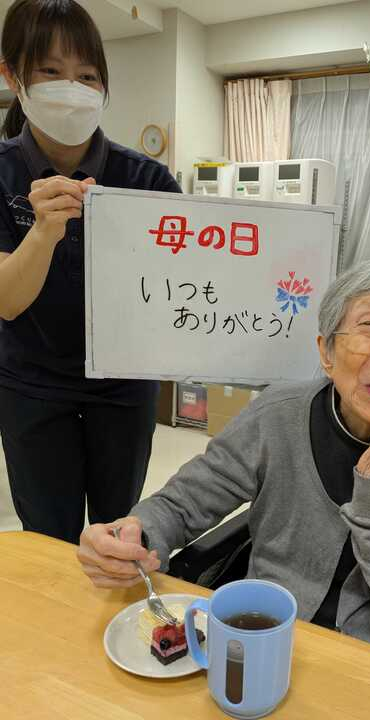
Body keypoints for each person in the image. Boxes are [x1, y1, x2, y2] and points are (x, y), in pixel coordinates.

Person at [77, 258, 370, 668]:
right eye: (369, 328)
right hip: (266, 638)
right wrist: (134, 537)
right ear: (326, 351)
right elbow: (181, 504)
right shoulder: (278, 412)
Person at [0, 0, 181, 544]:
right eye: (50, 71)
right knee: (47, 535)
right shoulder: (2, 174)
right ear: (13, 76)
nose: (72, 89)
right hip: (31, 383)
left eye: (87, 76)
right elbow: (7, 301)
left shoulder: (146, 178)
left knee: (118, 529)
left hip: (124, 385)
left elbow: (182, 287)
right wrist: (43, 230)